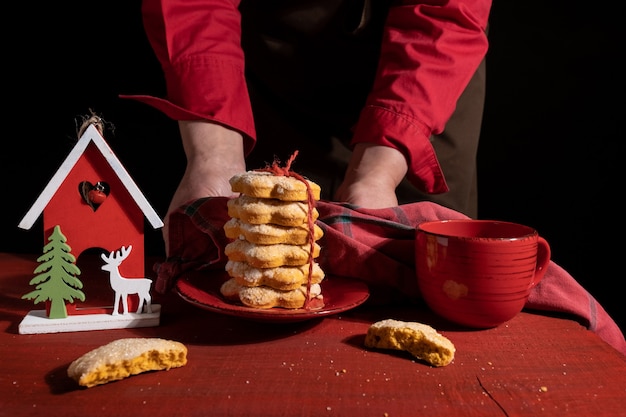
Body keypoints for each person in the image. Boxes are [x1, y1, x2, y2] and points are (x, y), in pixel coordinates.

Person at [123, 0, 491, 254]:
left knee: (430, 270)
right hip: (260, 65)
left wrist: (377, 175)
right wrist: (213, 158)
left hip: (430, 71)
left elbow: (446, 12)